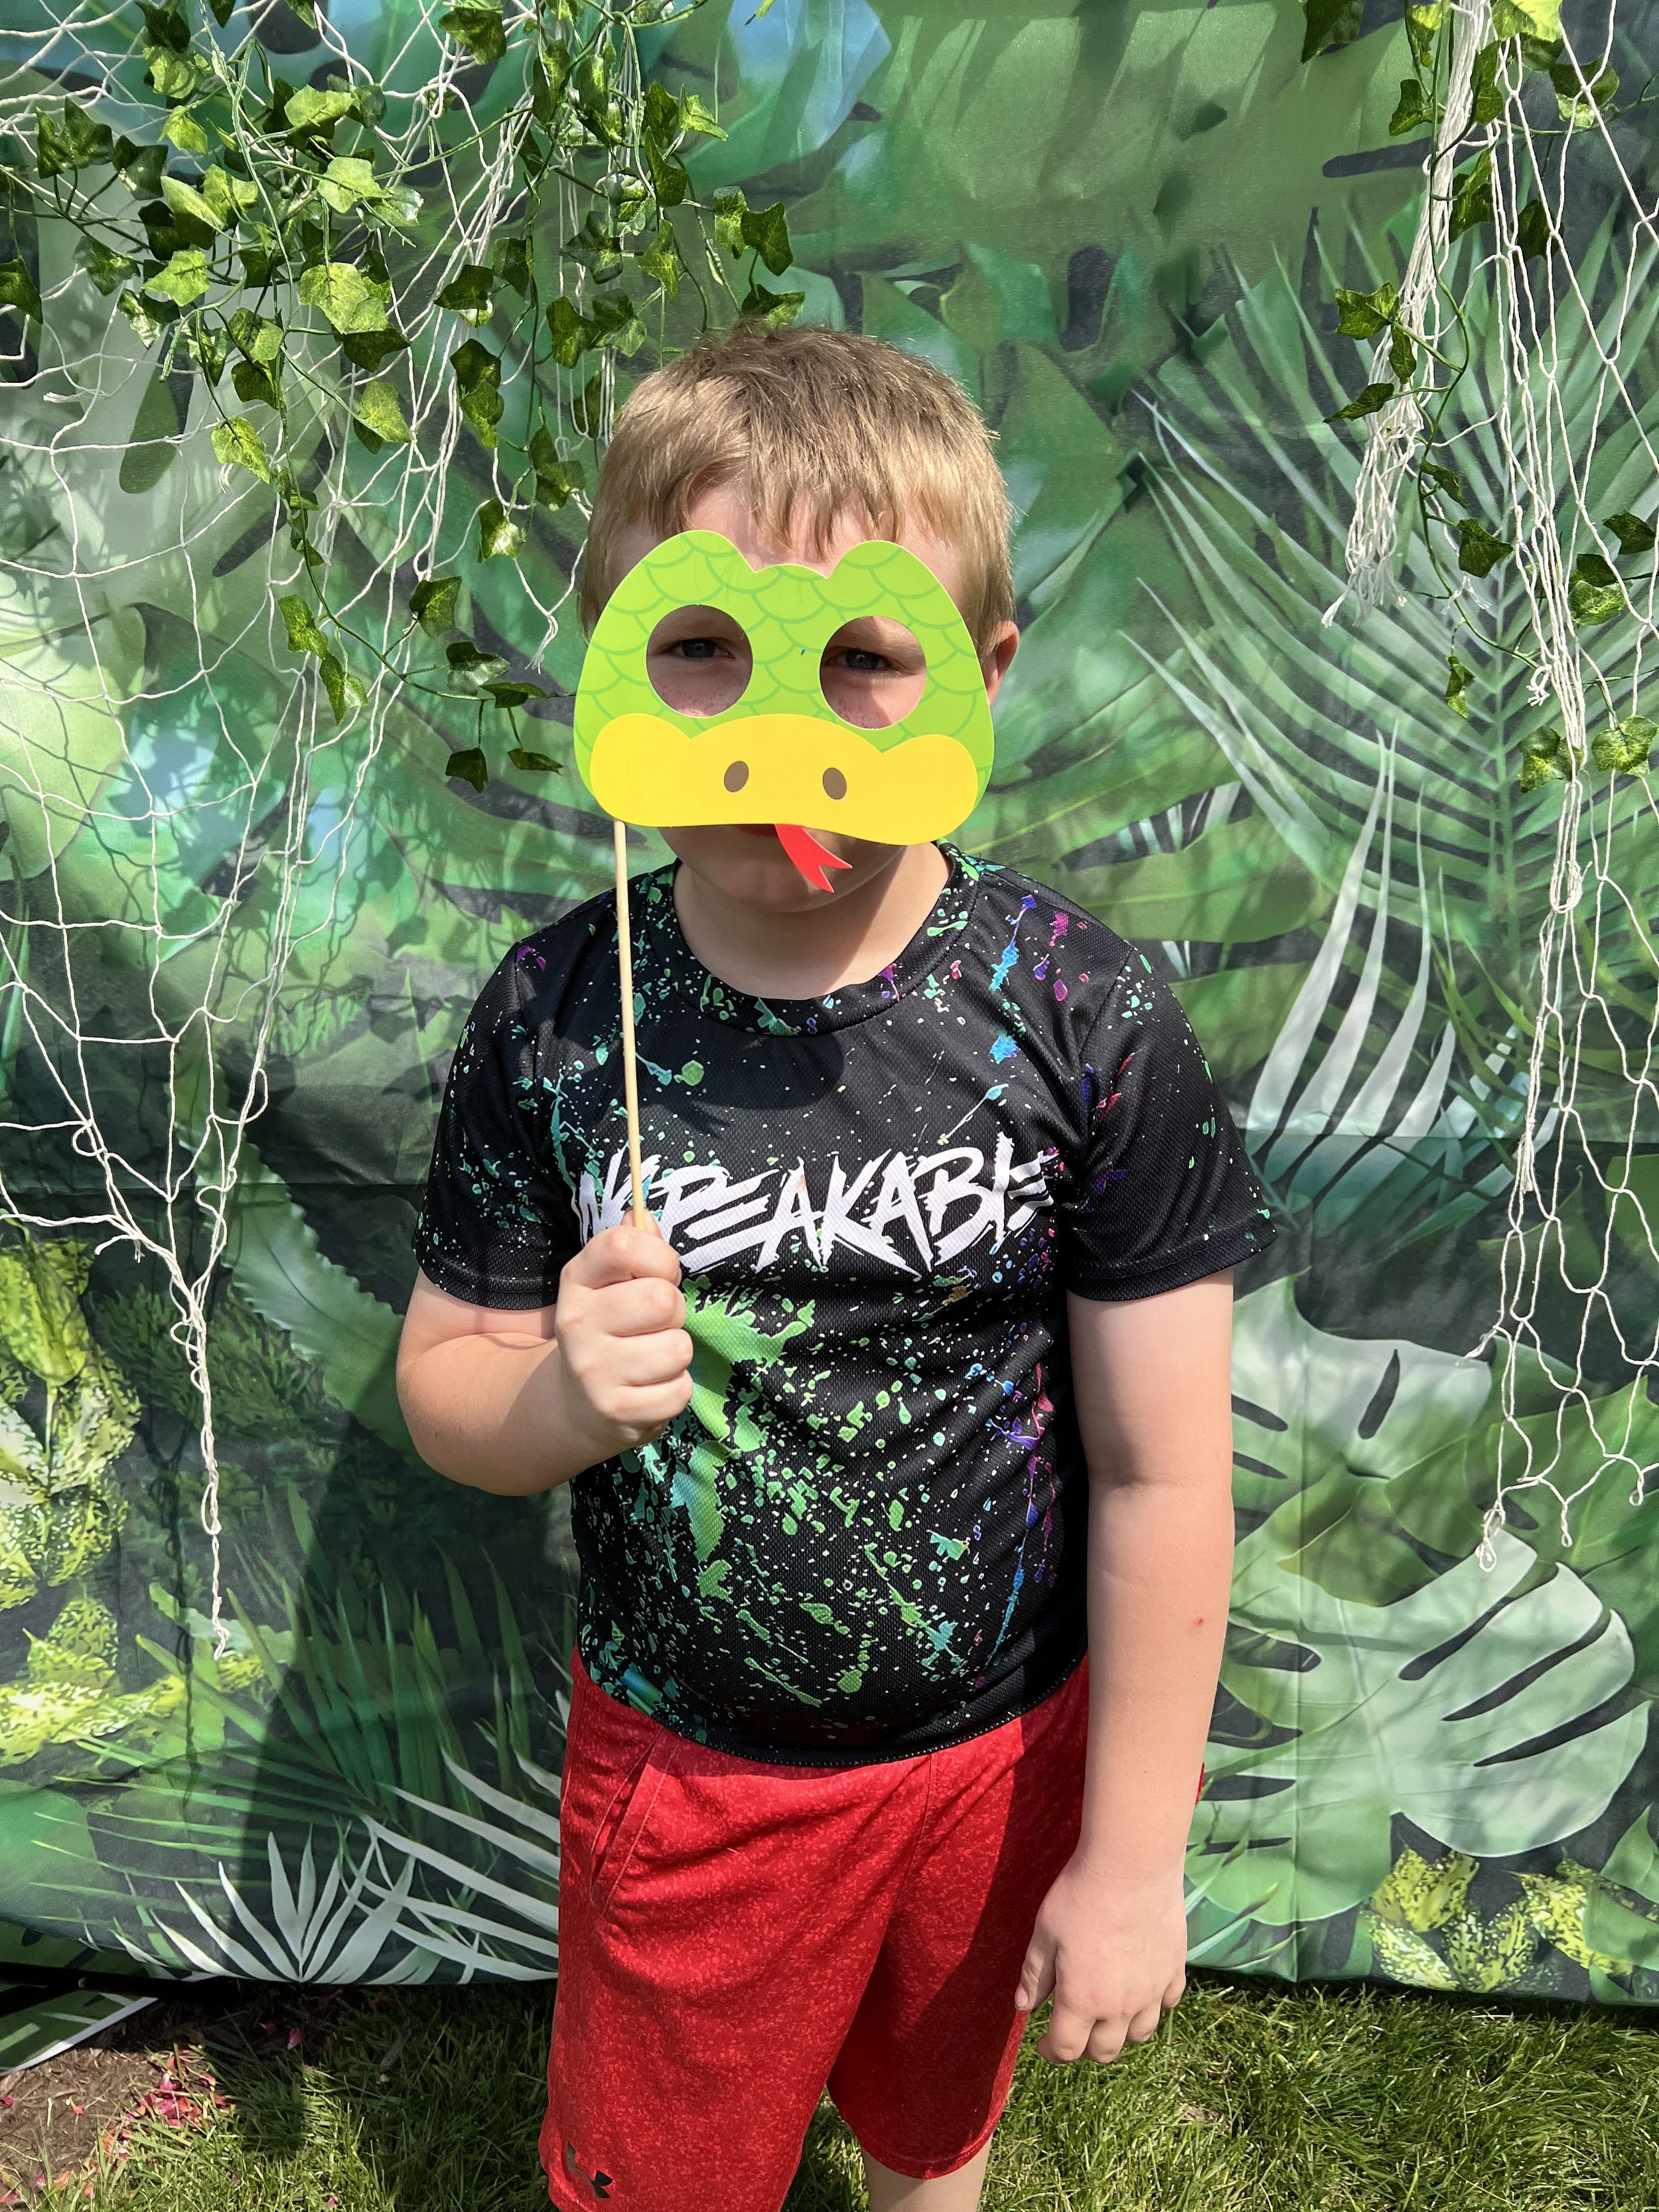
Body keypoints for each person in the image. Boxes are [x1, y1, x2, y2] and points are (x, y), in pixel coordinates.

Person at [396, 323, 1275, 2212]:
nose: (773, 714)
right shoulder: (560, 1014)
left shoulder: (1082, 1016)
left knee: (925, 2139)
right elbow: (445, 1384)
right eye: (698, 641)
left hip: (991, 1759)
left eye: (865, 654)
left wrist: (1128, 1853)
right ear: (613, 650)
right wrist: (550, 1395)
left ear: (981, 672)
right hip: (692, 1780)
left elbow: (1162, 1466)